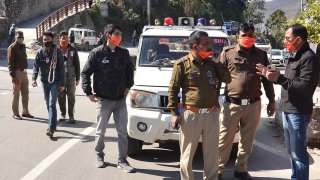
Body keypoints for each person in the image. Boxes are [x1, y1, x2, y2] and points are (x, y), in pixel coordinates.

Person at [256, 23, 320, 180]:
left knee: (299, 155)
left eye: (287, 38)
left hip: (298, 113)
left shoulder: (309, 58)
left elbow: (304, 86)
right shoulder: (295, 55)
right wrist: (273, 76)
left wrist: (279, 78)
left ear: (298, 39)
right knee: (292, 152)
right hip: (288, 110)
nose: (285, 41)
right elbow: (288, 81)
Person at [168, 30, 231, 180]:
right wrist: (174, 113)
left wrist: (218, 62)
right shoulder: (181, 64)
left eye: (210, 43)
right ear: (195, 46)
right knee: (187, 154)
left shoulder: (212, 63)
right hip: (191, 114)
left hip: (211, 114)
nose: (210, 46)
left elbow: (227, 78)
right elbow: (173, 89)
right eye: (206, 44)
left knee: (211, 153)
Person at [218, 23, 275, 180]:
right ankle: (218, 170)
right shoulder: (227, 52)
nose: (248, 38)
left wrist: (272, 101)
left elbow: (267, 80)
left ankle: (241, 169)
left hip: (253, 104)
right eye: (244, 35)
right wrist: (213, 100)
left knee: (247, 140)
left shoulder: (261, 55)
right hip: (232, 104)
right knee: (224, 140)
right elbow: (217, 77)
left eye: (251, 35)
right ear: (238, 36)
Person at [81, 24, 135, 172]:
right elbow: (85, 73)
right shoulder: (97, 53)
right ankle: (99, 155)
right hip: (103, 100)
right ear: (108, 36)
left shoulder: (123, 53)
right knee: (101, 131)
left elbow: (130, 71)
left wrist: (128, 86)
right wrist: (88, 92)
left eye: (121, 34)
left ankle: (122, 160)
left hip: (120, 100)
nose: (119, 37)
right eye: (116, 34)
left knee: (123, 132)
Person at [32, 31, 65, 138]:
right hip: (44, 82)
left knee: (51, 103)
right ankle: (53, 122)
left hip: (55, 82)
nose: (45, 41)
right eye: (44, 39)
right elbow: (36, 66)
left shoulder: (57, 51)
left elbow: (61, 68)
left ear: (52, 39)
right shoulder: (40, 52)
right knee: (48, 104)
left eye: (47, 39)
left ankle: (51, 128)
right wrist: (34, 78)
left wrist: (62, 84)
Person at [7, 31, 34, 120]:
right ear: (15, 38)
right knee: (16, 94)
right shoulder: (12, 47)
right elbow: (10, 63)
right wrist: (13, 76)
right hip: (17, 72)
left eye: (21, 37)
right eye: (18, 37)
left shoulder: (23, 46)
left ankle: (25, 112)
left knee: (25, 94)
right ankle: (15, 113)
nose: (20, 39)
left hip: (24, 72)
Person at [57, 31, 80, 124]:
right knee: (61, 97)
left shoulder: (73, 49)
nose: (65, 39)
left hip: (71, 77)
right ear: (59, 39)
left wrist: (78, 77)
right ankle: (63, 114)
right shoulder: (56, 49)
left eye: (66, 38)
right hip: (60, 78)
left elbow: (77, 64)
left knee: (71, 97)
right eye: (63, 37)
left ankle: (71, 116)